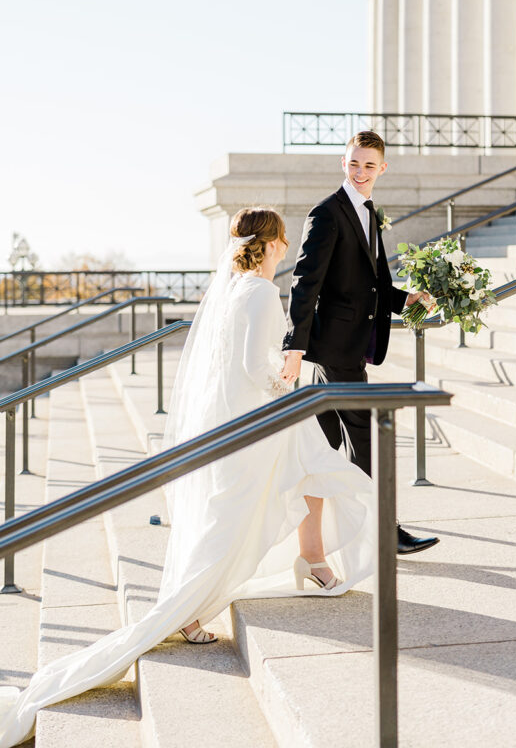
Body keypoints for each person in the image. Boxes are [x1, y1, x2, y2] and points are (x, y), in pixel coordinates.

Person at [0, 208, 373, 748]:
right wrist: (290, 376)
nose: (287, 247)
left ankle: (309, 562)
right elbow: (253, 367)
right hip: (253, 419)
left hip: (231, 416)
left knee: (310, 470)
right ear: (269, 244)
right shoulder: (263, 293)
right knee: (259, 506)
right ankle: (191, 607)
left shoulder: (231, 288)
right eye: (283, 240)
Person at [281, 131, 439, 555]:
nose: (361, 171)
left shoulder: (369, 213)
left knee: (321, 446)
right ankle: (384, 531)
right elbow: (304, 282)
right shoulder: (327, 213)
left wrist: (408, 299)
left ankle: (310, 535)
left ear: (382, 168)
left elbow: (373, 285)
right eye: (354, 163)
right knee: (367, 436)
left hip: (346, 349)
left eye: (369, 165)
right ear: (343, 163)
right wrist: (294, 346)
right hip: (333, 351)